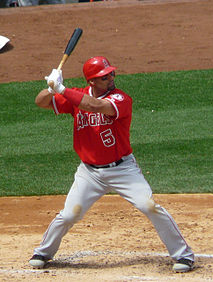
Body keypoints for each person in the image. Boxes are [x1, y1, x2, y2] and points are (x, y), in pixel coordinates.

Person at [29, 56, 195, 273]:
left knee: (149, 206)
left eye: (111, 74)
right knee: (70, 214)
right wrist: (51, 87)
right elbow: (40, 102)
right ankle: (43, 252)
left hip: (123, 170)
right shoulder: (77, 95)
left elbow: (95, 106)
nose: (111, 78)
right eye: (104, 77)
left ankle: (184, 255)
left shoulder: (121, 99)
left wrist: (62, 89)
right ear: (92, 82)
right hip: (89, 173)